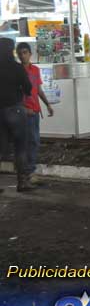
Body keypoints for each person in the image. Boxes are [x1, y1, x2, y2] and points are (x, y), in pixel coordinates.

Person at [18, 42, 54, 185]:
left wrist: (47, 104)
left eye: (25, 52)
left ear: (30, 54)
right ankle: (29, 172)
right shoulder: (17, 71)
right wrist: (23, 108)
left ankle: (28, 171)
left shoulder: (35, 70)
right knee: (30, 141)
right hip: (24, 111)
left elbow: (38, 90)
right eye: (20, 53)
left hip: (35, 110)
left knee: (34, 141)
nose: (23, 56)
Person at [0, 37, 32, 192]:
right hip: (15, 110)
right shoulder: (17, 68)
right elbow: (28, 88)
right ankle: (23, 182)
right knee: (20, 147)